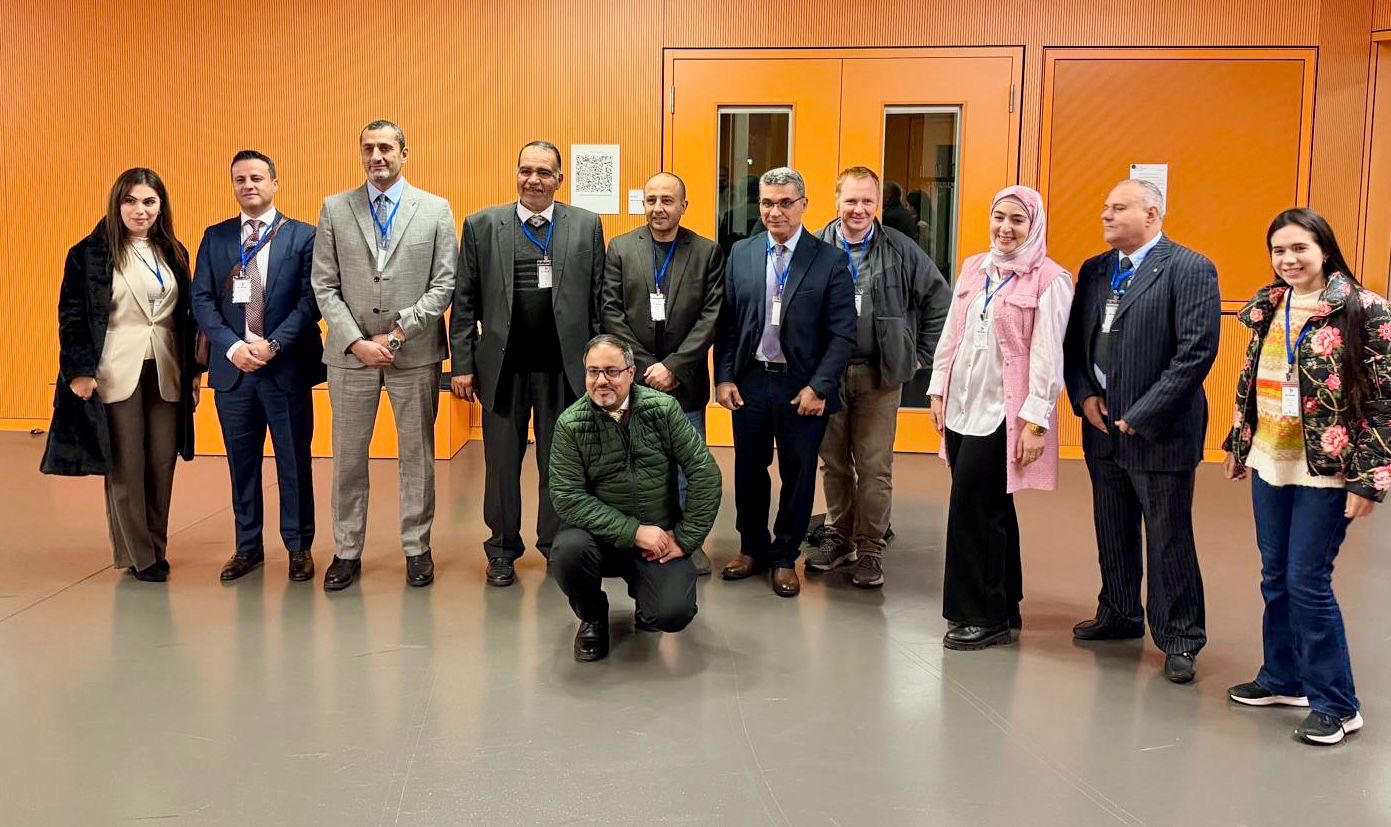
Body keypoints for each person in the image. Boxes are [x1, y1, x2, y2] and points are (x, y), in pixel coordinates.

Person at [1222, 208, 1391, 745]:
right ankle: (1283, 678)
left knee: (1307, 580)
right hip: (1270, 459)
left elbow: (1384, 403)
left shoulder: (1364, 309)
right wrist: (1240, 443)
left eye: (1300, 248)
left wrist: (1369, 479)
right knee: (1275, 575)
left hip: (1329, 469)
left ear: (1325, 249)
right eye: (1279, 250)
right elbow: (1252, 379)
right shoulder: (1270, 305)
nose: (1289, 260)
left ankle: (1338, 705)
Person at [1062, 179, 1221, 684]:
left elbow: (1195, 352)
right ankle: (1119, 611)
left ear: (1152, 214)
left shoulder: (1190, 268)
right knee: (1112, 524)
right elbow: (1075, 344)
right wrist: (1085, 395)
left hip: (1160, 431)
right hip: (1101, 424)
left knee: (1168, 535)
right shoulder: (1095, 270)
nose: (1105, 215)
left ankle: (1179, 637)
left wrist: (1143, 414)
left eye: (1118, 208)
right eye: (1105, 207)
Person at [451, 141, 606, 588]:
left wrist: (600, 368)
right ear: (516, 173)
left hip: (564, 371)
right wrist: (462, 364)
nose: (533, 180)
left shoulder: (586, 225)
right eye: (526, 170)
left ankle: (556, 546)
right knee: (502, 465)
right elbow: (464, 301)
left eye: (544, 172)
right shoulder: (482, 225)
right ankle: (502, 549)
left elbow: (598, 302)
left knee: (560, 463)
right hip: (503, 371)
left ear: (559, 179)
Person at [310, 119, 457, 591]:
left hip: (413, 354)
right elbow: (323, 285)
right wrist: (357, 341)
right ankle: (346, 549)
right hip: (350, 355)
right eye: (369, 148)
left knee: (417, 456)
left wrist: (396, 335)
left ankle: (417, 547)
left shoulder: (435, 209)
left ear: (404, 153)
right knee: (348, 457)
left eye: (386, 148)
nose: (377, 156)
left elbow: (444, 284)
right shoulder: (335, 208)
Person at [926, 186, 1073, 648]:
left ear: (1035, 226)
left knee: (972, 508)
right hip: (962, 406)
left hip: (1003, 414)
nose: (1005, 228)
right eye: (999, 217)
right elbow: (952, 333)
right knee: (993, 506)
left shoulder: (1050, 280)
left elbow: (1048, 357)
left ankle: (982, 616)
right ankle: (1005, 602)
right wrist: (937, 388)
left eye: (1017, 220)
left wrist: (1035, 422)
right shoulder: (975, 267)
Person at [42, 167, 200, 582]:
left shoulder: (174, 251)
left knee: (161, 461)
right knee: (126, 463)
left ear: (161, 206)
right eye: (130, 201)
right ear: (117, 203)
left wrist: (194, 373)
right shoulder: (89, 253)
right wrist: (78, 371)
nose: (139, 210)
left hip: (166, 367)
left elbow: (186, 318)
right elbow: (72, 315)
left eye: (149, 201)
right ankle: (139, 555)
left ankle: (156, 546)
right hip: (113, 369)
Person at [714, 166, 856, 598]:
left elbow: (842, 333)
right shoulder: (741, 253)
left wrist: (820, 387)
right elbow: (728, 323)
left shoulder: (829, 260)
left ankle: (783, 557)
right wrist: (724, 377)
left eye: (784, 203)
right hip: (751, 381)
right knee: (749, 470)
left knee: (798, 474)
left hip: (802, 387)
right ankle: (751, 548)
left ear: (803, 205)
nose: (774, 212)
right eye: (766, 203)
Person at [807, 166, 950, 588]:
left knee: (874, 467)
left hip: (880, 376)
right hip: (827, 375)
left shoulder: (900, 249)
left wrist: (921, 354)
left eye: (867, 201)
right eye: (850, 200)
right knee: (833, 463)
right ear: (836, 201)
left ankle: (870, 546)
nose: (858, 209)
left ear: (878, 204)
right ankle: (840, 535)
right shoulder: (813, 248)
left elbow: (940, 300)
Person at [191, 150, 323, 584]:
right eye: (240, 179)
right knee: (242, 464)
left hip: (285, 369)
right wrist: (232, 347)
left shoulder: (303, 236)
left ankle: (299, 546)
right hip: (234, 373)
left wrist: (273, 344)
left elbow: (312, 300)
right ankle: (247, 546)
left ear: (275, 183)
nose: (248, 185)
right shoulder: (216, 237)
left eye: (257, 178)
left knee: (294, 462)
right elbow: (202, 299)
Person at [548, 335, 722, 661]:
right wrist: (633, 531)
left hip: (658, 540)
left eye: (612, 371)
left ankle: (647, 599)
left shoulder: (664, 410)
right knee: (567, 552)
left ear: (631, 373)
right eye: (593, 371)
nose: (601, 380)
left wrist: (686, 538)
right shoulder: (570, 424)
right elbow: (567, 496)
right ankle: (592, 616)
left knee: (672, 614)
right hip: (598, 539)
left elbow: (705, 473)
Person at [600, 171, 725, 575]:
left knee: (689, 468)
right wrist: (641, 366)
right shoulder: (621, 248)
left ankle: (688, 541)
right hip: (633, 383)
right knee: (637, 465)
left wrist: (674, 367)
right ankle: (641, 539)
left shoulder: (706, 252)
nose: (658, 208)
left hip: (684, 382)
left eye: (667, 200)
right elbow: (610, 312)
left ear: (683, 206)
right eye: (651, 199)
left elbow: (711, 316)